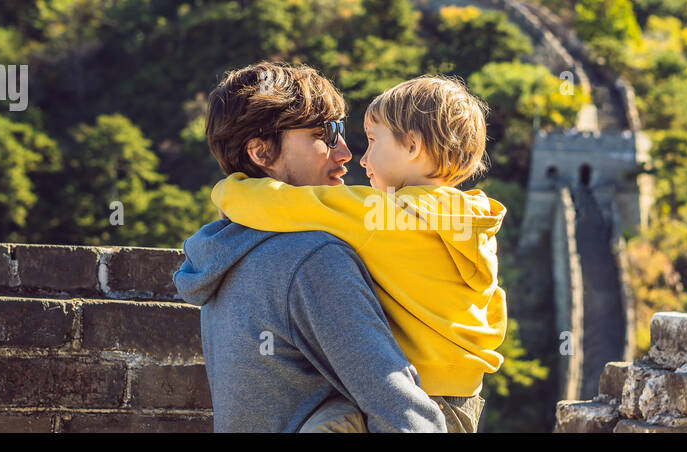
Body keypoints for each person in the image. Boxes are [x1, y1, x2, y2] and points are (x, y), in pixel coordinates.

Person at [209, 75, 507, 432]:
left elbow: (288, 205)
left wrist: (230, 191)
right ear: (260, 152)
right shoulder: (468, 218)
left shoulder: (379, 217)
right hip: (462, 392)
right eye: (326, 134)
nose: (354, 156)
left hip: (425, 392)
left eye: (370, 141)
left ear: (411, 146)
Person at [172, 62, 447, 432]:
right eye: (326, 133)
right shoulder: (311, 259)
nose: (346, 151)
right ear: (261, 152)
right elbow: (401, 413)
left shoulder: (223, 254)